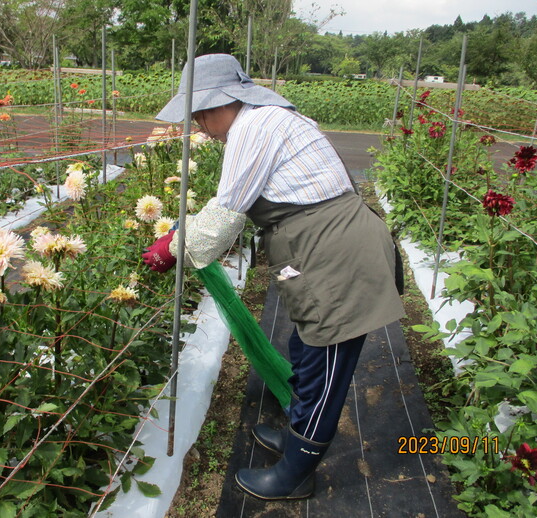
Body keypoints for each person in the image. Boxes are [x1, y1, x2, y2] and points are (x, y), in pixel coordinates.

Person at [142, 54, 404, 501]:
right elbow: (237, 199)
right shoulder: (264, 122)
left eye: (203, 110)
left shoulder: (254, 127)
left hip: (339, 254)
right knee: (306, 349)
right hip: (321, 248)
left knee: (326, 366)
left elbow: (228, 212)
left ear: (231, 99)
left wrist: (175, 246)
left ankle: (296, 473)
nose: (200, 123)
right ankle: (301, 435)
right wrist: (181, 236)